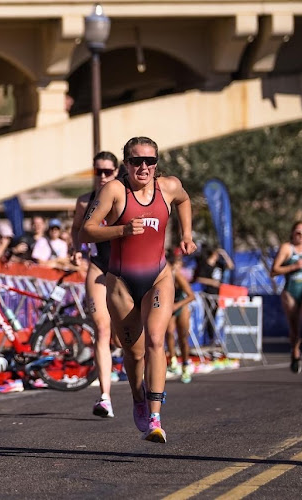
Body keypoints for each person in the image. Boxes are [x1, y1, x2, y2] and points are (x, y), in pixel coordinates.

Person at [81, 136, 196, 443]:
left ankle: (156, 417)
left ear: (157, 163)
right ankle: (138, 399)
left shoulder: (168, 187)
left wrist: (186, 233)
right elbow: (86, 230)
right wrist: (121, 229)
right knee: (134, 353)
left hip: (158, 277)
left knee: (156, 340)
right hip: (120, 283)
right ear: (126, 164)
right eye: (136, 161)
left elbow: (185, 199)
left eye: (150, 161)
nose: (143, 167)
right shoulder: (115, 191)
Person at [71, 151, 120, 418]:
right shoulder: (84, 202)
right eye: (98, 172)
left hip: (126, 270)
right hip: (99, 265)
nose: (102, 177)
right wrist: (77, 248)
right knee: (101, 329)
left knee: (126, 334)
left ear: (116, 172)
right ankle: (105, 397)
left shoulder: (124, 197)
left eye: (108, 172)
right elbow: (77, 228)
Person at [270, 221, 302, 377]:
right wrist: (293, 266)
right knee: (294, 327)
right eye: (298, 233)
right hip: (290, 290)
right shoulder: (286, 248)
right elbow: (274, 271)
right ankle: (295, 352)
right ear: (292, 233)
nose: (301, 236)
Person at [165, 249, 196, 383]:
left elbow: (191, 296)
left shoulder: (176, 275)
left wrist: (177, 306)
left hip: (180, 304)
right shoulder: (160, 275)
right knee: (169, 333)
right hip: (169, 305)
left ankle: (185, 364)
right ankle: (172, 360)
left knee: (183, 336)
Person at [194, 246, 235, 345]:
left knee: (215, 315)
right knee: (208, 316)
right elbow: (199, 278)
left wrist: (224, 255)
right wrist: (212, 282)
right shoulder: (204, 265)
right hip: (208, 294)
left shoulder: (219, 265)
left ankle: (213, 338)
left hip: (218, 294)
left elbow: (231, 266)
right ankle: (207, 338)